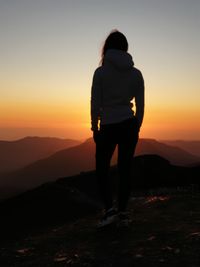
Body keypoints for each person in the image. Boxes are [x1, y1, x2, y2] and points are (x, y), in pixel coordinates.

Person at [90, 30, 145, 228]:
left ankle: (110, 210)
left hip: (108, 125)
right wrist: (136, 126)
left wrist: (94, 126)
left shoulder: (101, 72)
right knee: (125, 169)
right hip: (129, 125)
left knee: (102, 168)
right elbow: (141, 105)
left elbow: (95, 103)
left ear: (107, 47)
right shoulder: (136, 73)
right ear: (125, 47)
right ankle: (122, 212)